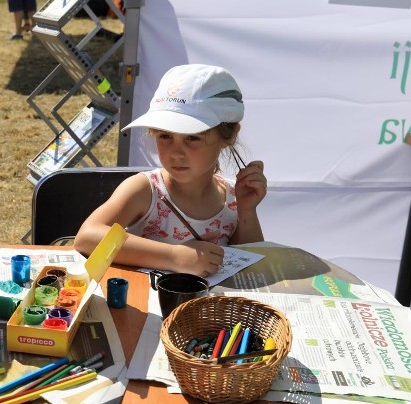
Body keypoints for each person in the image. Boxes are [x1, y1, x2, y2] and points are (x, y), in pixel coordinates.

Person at [74, 64, 267, 278]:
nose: (175, 153)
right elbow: (87, 237)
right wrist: (173, 256)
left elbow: (249, 269)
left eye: (192, 137)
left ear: (229, 136)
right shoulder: (145, 190)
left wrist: (248, 210)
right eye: (165, 136)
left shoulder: (233, 199)